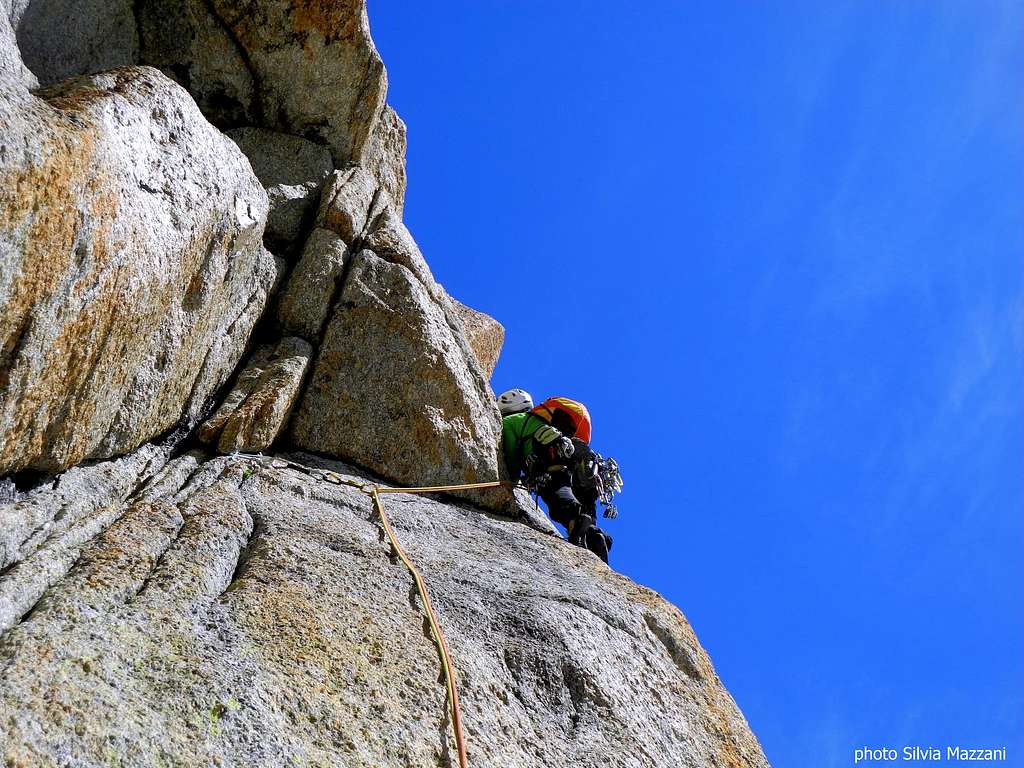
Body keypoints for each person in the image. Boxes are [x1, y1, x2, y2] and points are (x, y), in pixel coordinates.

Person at [498, 389, 614, 563]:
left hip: (551, 452)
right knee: (579, 496)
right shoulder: (551, 425)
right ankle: (593, 534)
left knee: (555, 491)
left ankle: (577, 521)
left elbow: (512, 457)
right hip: (580, 458)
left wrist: (512, 480)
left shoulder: (512, 420)